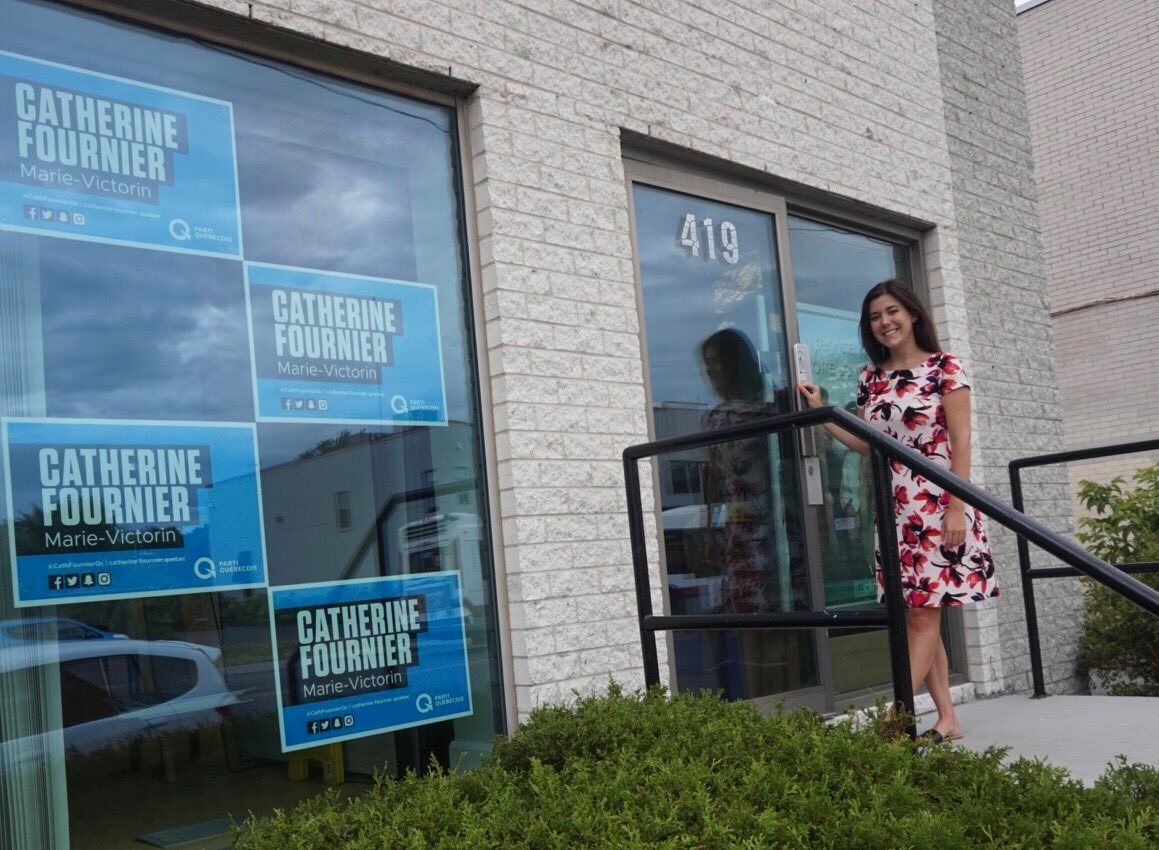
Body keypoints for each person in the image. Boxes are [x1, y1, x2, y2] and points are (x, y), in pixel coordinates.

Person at [797, 280, 998, 743]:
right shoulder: (870, 378)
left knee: (924, 616)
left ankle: (893, 721)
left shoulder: (945, 367)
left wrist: (957, 507)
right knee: (918, 615)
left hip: (940, 504)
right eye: (875, 316)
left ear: (912, 314)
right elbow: (869, 444)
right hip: (896, 511)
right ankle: (948, 719)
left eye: (892, 312)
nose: (885, 322)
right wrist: (824, 412)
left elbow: (962, 442)